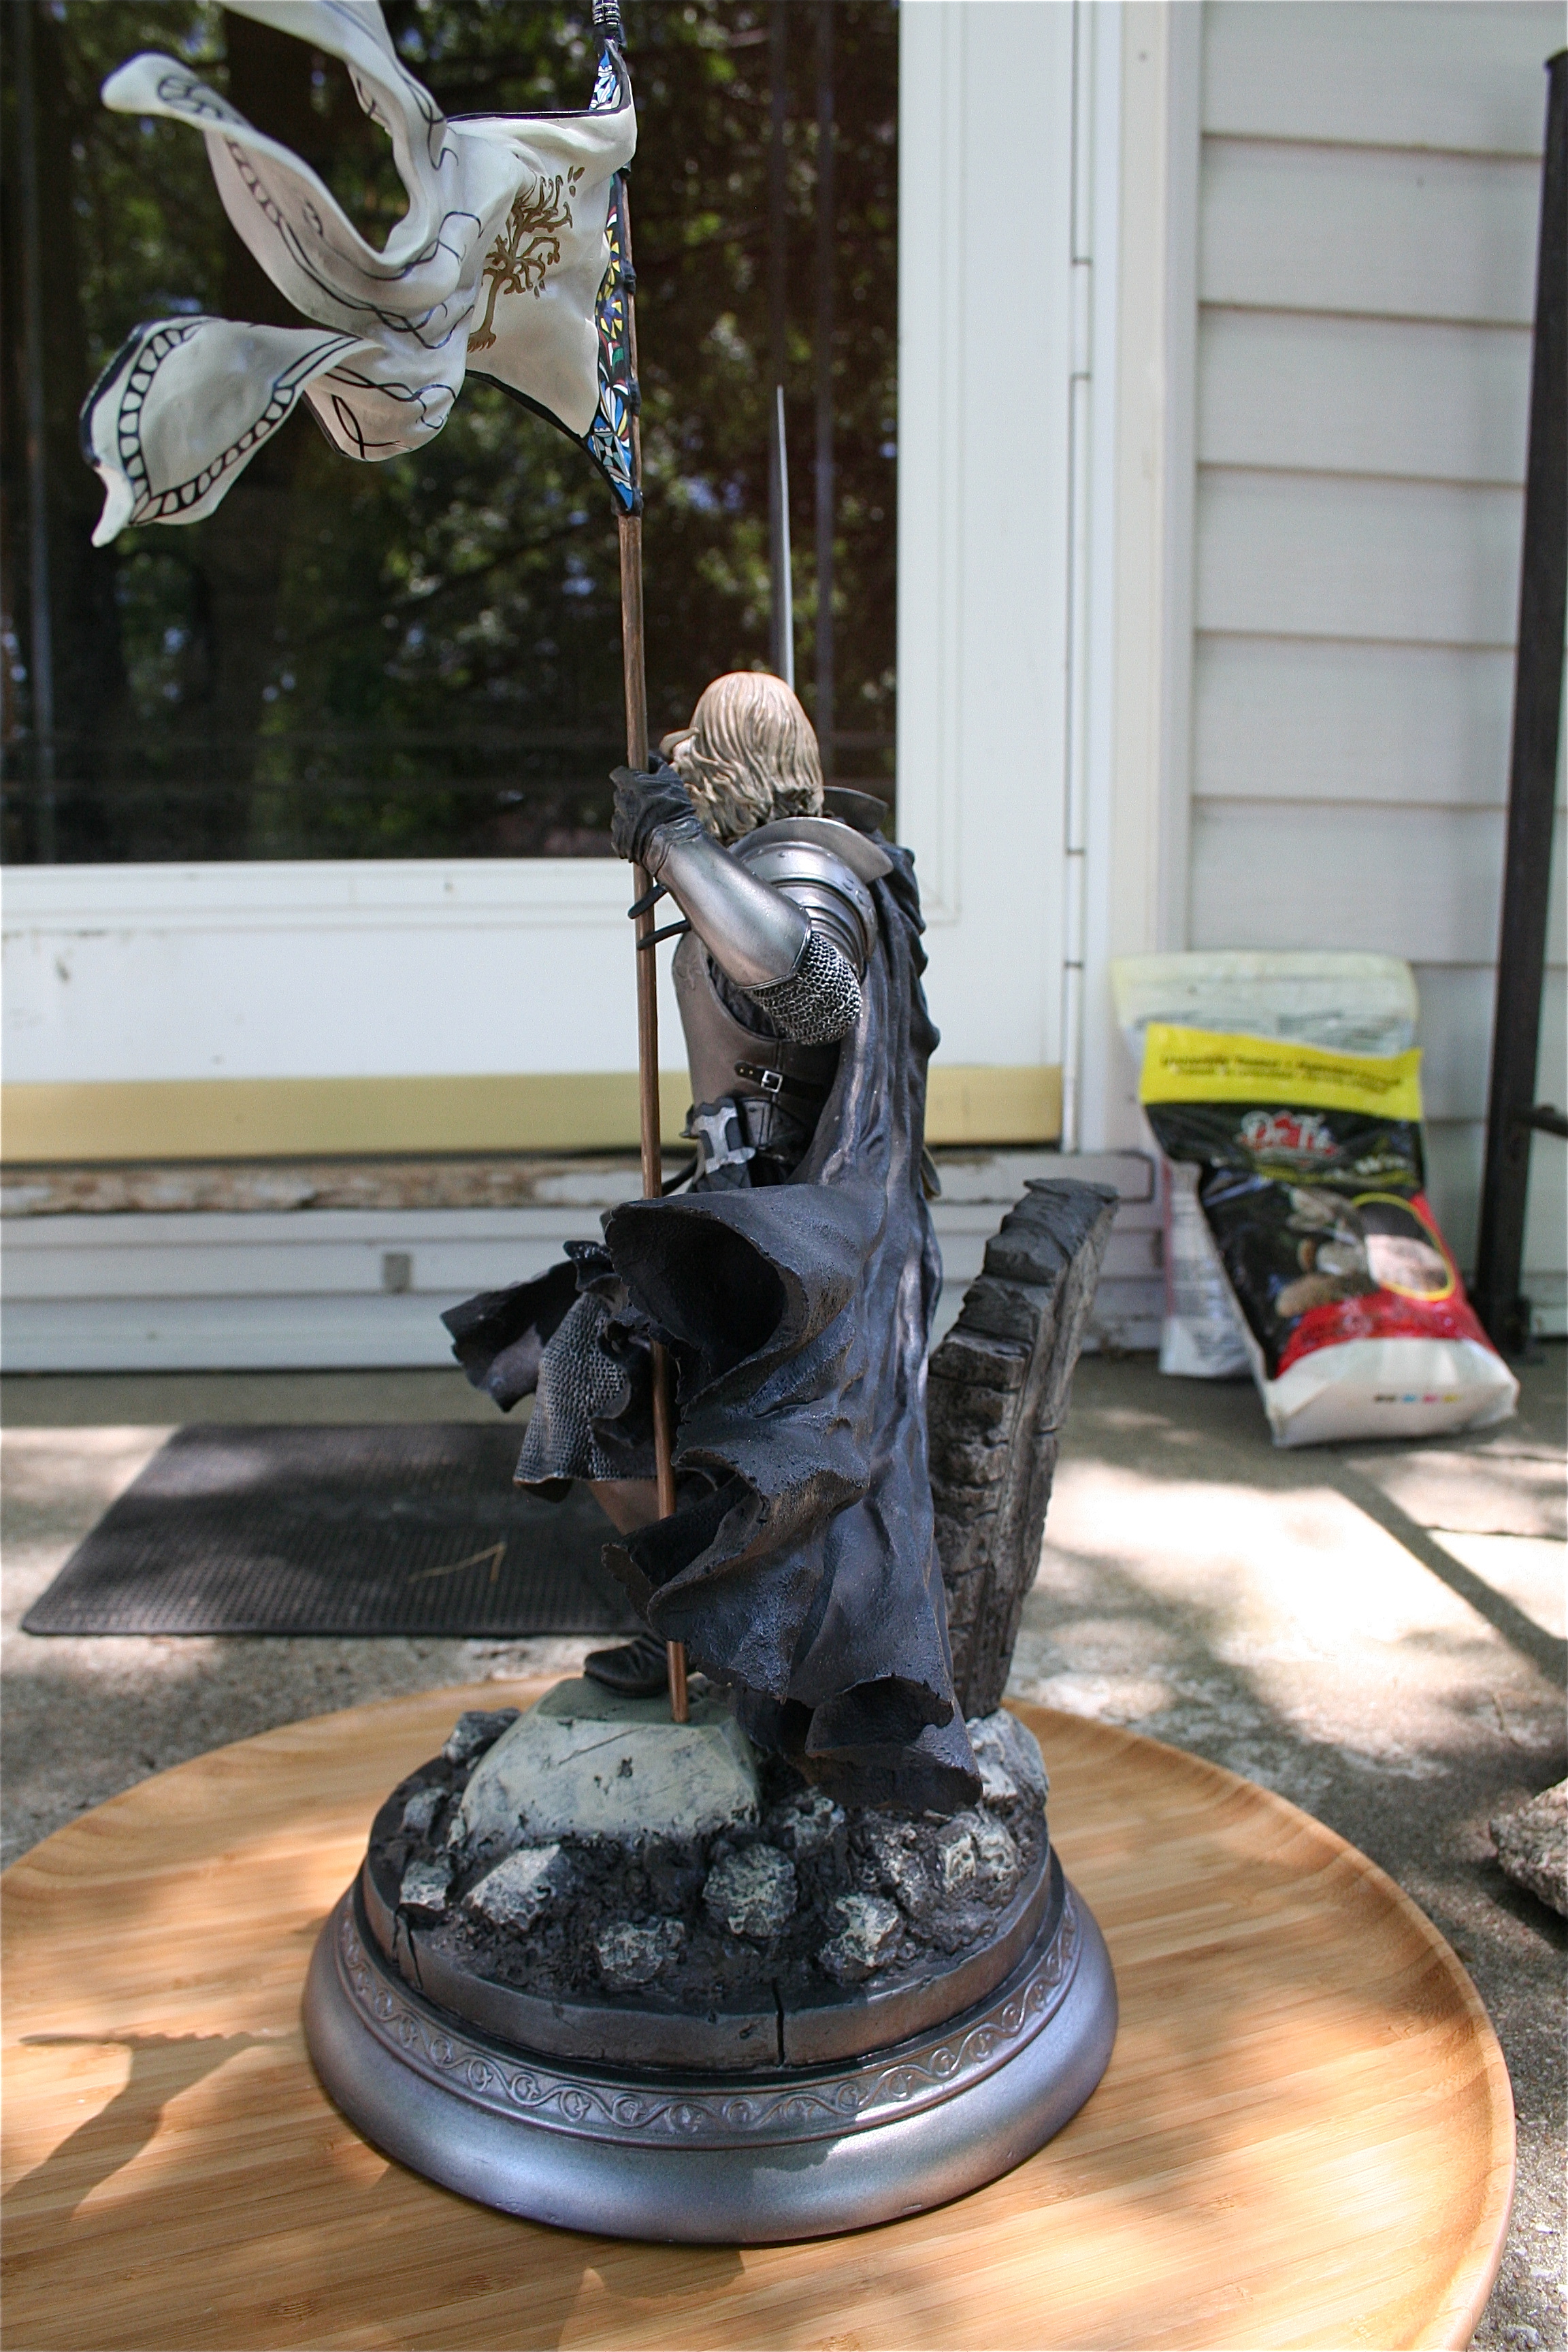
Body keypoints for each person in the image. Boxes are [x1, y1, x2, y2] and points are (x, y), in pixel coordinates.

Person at [445, 673, 980, 1812]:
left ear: (735, 764)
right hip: (734, 1198)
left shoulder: (807, 872)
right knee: (590, 1375)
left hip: (790, 1234)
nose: (684, 770)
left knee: (720, 1432)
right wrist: (684, 857)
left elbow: (816, 995)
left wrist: (681, 849)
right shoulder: (761, 865)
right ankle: (690, 1611)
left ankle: (735, 1636)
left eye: (700, 759)